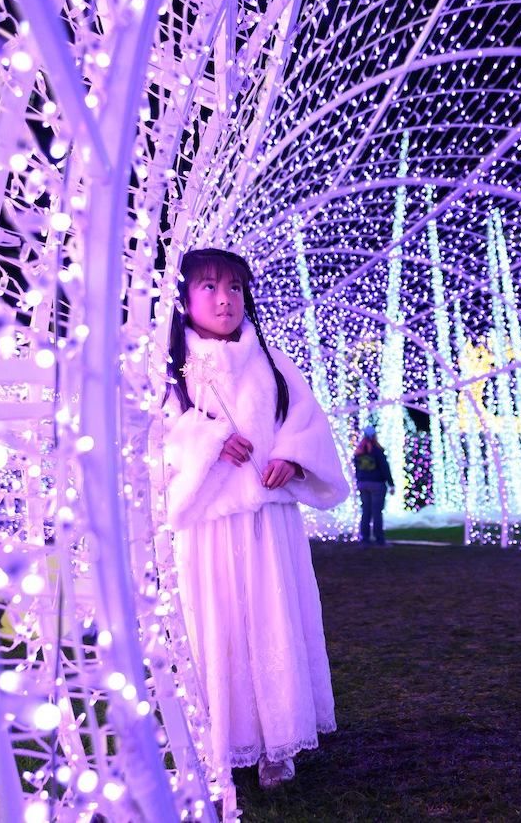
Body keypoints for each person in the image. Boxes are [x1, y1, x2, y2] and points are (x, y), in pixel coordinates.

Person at [161, 248, 348, 790]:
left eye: (236, 288)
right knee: (217, 627)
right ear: (185, 298)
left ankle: (278, 742)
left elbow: (304, 418)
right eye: (210, 287)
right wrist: (211, 441)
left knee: (274, 621)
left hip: (270, 521)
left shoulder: (269, 358)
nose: (225, 298)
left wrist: (290, 456)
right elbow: (154, 436)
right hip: (210, 524)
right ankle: (222, 739)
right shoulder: (169, 366)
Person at [353, 425, 394, 546]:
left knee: (366, 512)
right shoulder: (378, 450)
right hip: (377, 485)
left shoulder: (358, 452)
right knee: (377, 512)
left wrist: (359, 481)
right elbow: (384, 468)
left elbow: (357, 469)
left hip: (363, 484)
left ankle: (364, 539)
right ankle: (379, 539)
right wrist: (391, 484)